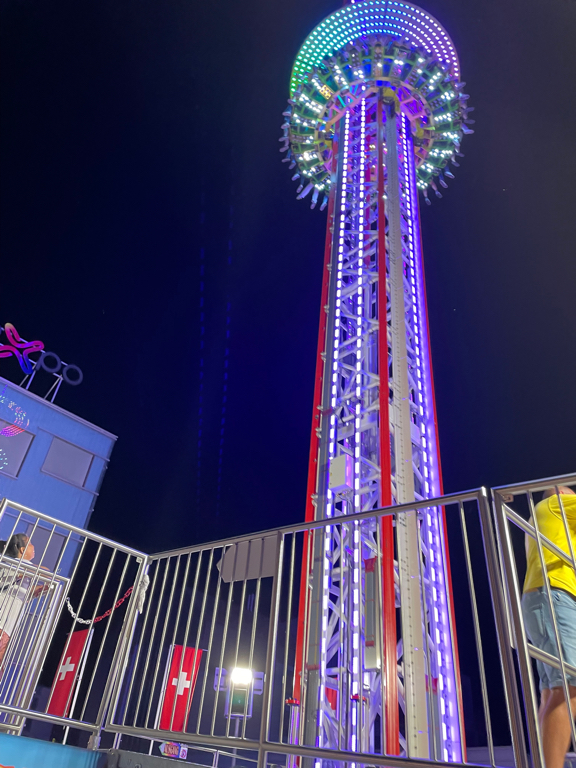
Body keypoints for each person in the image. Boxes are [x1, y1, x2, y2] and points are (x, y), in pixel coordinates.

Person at [522, 486, 576, 768]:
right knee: (568, 687)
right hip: (553, 595)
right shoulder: (557, 504)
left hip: (543, 598)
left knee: (553, 690)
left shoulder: (541, 522)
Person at [0, 533, 37, 667]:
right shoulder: (17, 564)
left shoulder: (21, 567)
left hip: (7, 624)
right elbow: (43, 571)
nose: (34, 547)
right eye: (31, 543)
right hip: (3, 620)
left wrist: (40, 589)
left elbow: (25, 592)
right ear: (22, 549)